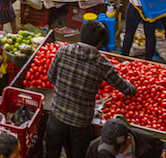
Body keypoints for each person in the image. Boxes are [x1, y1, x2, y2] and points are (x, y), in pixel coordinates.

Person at [45, 19, 137, 158]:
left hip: (57, 116)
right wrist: (134, 90)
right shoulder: (102, 64)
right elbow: (126, 88)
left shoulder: (63, 50)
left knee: (51, 154)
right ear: (100, 42)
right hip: (80, 124)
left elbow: (51, 76)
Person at [86, 118, 163, 158]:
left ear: (127, 141)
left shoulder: (148, 142)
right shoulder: (94, 147)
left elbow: (165, 150)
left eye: (116, 150)